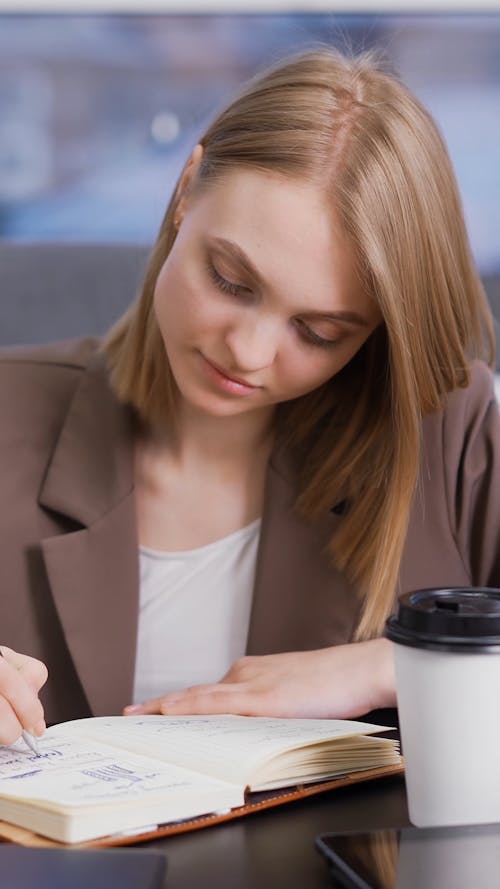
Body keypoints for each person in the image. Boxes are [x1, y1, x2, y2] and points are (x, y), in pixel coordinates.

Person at [0, 47, 498, 747]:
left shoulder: (453, 436)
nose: (249, 352)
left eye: (320, 331)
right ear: (184, 191)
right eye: (232, 281)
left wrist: (395, 662)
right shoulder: (8, 410)